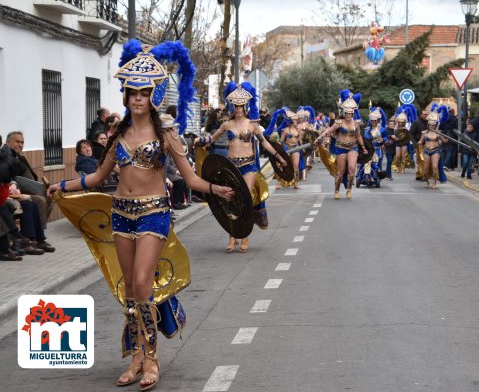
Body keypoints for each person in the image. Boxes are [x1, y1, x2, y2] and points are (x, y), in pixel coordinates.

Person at [49, 40, 234, 390]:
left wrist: (216, 190)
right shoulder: (118, 133)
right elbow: (100, 177)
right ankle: (135, 356)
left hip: (153, 214)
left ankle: (151, 359)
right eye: (132, 92)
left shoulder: (166, 133)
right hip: (120, 214)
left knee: (142, 284)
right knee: (129, 290)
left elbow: (191, 177)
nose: (137, 98)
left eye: (144, 92)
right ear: (125, 95)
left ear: (153, 96)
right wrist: (65, 187)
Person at [197, 81, 287, 253]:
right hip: (231, 166)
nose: (238, 109)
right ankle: (232, 236)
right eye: (235, 106)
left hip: (249, 167)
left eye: (241, 106)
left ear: (245, 106)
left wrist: (279, 157)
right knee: (230, 201)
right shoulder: (226, 125)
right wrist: (199, 141)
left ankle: (244, 236)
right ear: (232, 106)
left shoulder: (252, 125)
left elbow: (266, 144)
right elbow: (212, 139)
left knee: (244, 200)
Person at [314, 90, 367, 199]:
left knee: (352, 168)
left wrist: (363, 147)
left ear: (353, 113)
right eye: (346, 113)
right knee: (341, 171)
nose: (348, 115)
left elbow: (358, 136)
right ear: (344, 113)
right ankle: (337, 190)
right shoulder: (339, 123)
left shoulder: (356, 124)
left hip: (353, 147)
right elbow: (328, 131)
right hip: (341, 148)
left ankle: (349, 190)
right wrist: (319, 138)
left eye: (350, 113)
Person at [1, 131, 52, 228]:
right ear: (7, 142)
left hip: (24, 188)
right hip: (14, 190)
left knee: (48, 199)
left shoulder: (17, 156)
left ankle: (38, 231)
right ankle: (38, 236)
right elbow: (11, 177)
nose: (20, 145)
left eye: (22, 142)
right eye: (17, 142)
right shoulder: (5, 155)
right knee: (41, 199)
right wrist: (14, 184)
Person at [418, 109, 448, 188]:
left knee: (435, 167)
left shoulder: (438, 133)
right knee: (426, 168)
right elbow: (421, 141)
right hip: (426, 150)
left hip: (436, 151)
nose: (432, 126)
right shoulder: (424, 133)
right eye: (431, 125)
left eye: (433, 125)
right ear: (428, 124)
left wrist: (447, 138)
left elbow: (444, 141)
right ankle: (427, 181)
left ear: (436, 125)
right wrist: (419, 143)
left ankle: (434, 182)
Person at [357, 106, 386, 186]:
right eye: (372, 120)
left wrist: (382, 140)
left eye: (375, 120)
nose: (373, 122)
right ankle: (360, 176)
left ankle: (376, 178)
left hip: (378, 149)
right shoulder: (367, 129)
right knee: (364, 163)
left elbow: (385, 138)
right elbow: (365, 139)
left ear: (378, 120)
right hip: (369, 149)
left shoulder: (382, 129)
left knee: (377, 165)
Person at [409, 109, 428, 180]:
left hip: (428, 144)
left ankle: (423, 174)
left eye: (427, 114)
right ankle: (421, 174)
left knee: (426, 160)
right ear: (421, 115)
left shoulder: (428, 122)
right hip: (419, 144)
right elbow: (410, 133)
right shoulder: (416, 123)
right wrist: (414, 143)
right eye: (424, 114)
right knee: (421, 160)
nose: (426, 116)